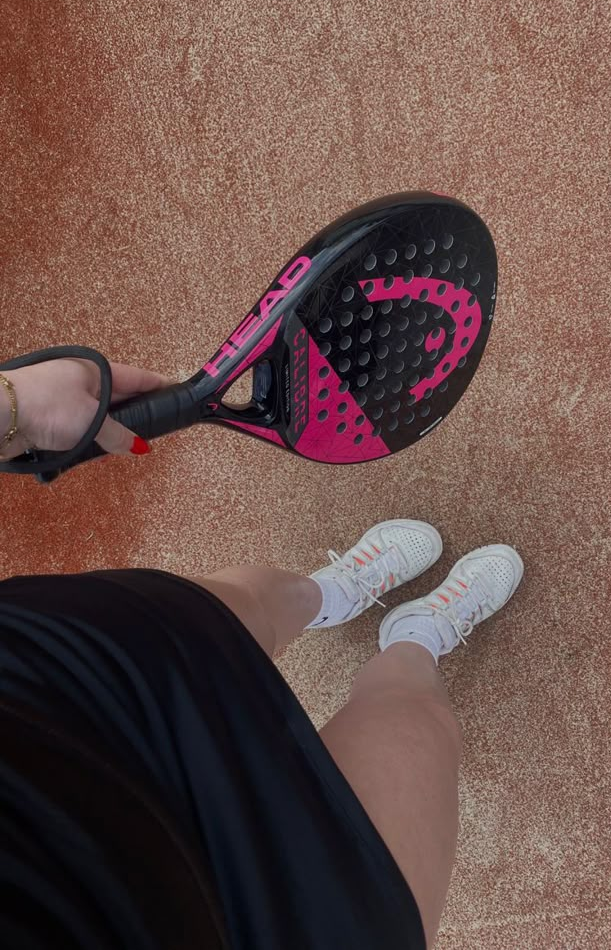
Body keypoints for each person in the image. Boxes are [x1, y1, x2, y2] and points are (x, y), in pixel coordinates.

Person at [0, 358, 523, 949]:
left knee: (227, 615)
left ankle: (332, 594)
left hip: (23, 696)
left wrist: (10, 405)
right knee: (420, 731)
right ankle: (419, 635)